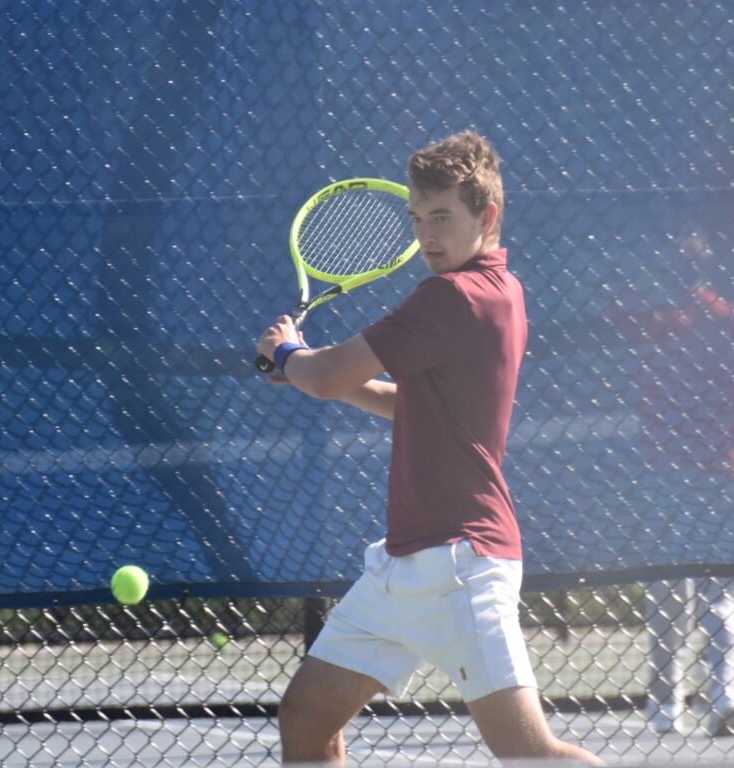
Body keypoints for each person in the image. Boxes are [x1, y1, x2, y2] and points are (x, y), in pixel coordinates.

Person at [256, 131, 603, 766]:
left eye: (442, 217)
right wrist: (310, 371)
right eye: (418, 219)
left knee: (531, 754)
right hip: (404, 566)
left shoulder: (454, 295)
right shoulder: (503, 289)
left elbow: (329, 373)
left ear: (486, 216)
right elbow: (404, 400)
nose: (427, 234)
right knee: (306, 719)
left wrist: (287, 353)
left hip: (461, 565)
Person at [618, 231, 734, 738]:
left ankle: (670, 701)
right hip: (719, 474)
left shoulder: (659, 323)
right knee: (719, 594)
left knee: (670, 595)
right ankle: (721, 694)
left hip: (678, 475)